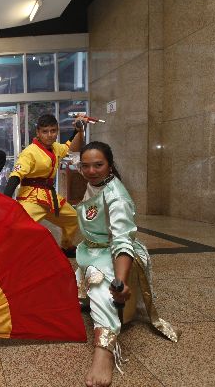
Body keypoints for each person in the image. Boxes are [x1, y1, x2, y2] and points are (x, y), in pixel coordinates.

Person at [75, 141, 178, 387]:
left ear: (110, 165)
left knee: (102, 292)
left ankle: (105, 353)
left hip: (115, 255)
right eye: (86, 166)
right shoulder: (94, 185)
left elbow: (122, 243)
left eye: (98, 165)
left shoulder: (116, 196)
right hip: (90, 253)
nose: (91, 171)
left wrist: (120, 281)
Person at [3, 113, 85, 256]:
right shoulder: (29, 152)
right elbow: (16, 175)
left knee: (72, 217)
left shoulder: (55, 148)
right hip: (31, 197)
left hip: (50, 197)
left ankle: (67, 247)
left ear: (57, 131)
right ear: (38, 133)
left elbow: (69, 146)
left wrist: (78, 130)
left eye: (53, 131)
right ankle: (6, 255)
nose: (49, 135)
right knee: (16, 227)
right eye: (45, 131)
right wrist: (5, 201)